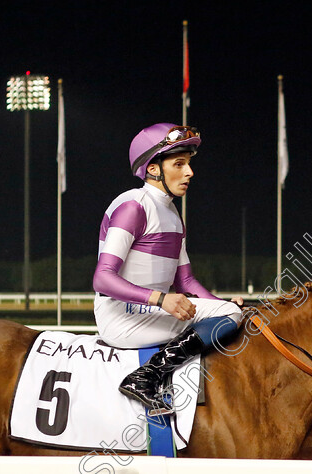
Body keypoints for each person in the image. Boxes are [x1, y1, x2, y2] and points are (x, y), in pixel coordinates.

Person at [93, 123, 242, 414]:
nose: (189, 172)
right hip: (121, 318)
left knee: (236, 313)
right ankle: (146, 376)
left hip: (153, 313)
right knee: (232, 316)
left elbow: (186, 281)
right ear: (152, 169)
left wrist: (220, 303)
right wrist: (162, 299)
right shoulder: (132, 207)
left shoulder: (173, 214)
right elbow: (102, 279)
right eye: (179, 164)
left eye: (188, 164)